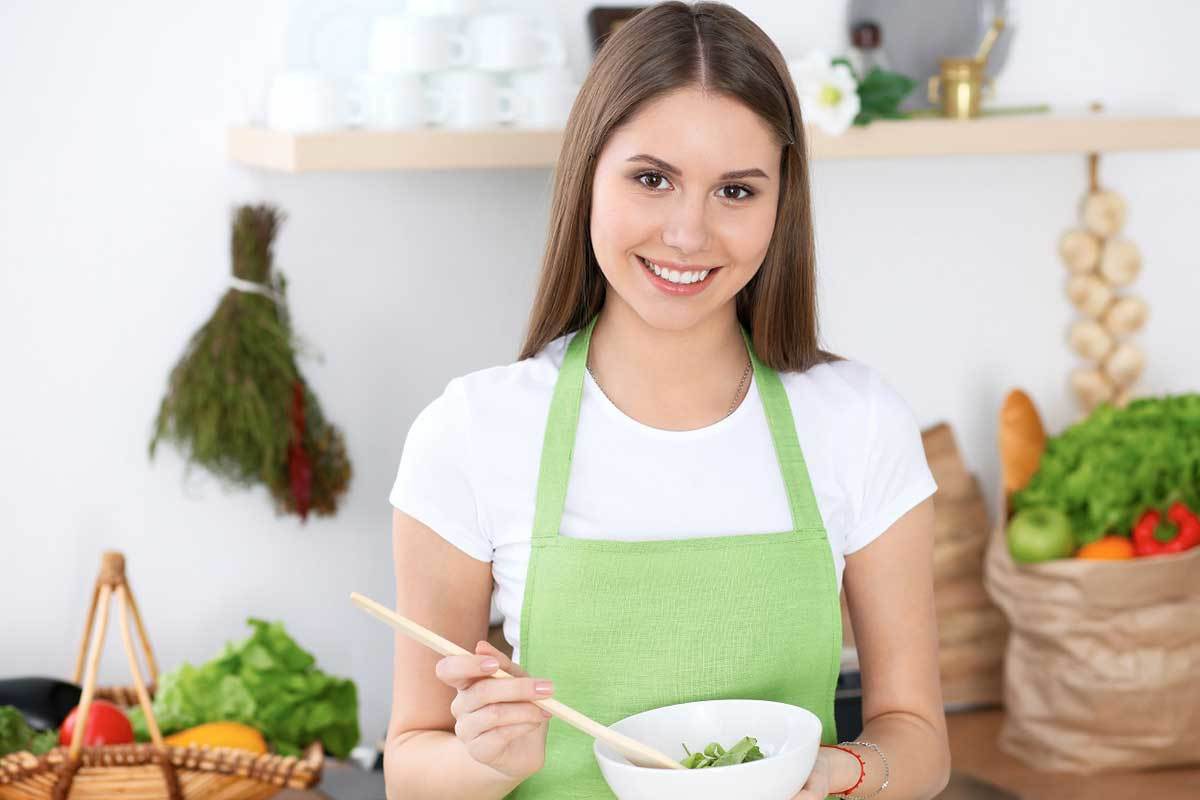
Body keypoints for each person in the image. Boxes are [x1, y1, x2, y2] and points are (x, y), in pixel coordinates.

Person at [384, 2, 950, 798]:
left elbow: (918, 738)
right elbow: (409, 768)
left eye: (737, 191)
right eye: (652, 179)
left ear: (782, 201)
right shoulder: (472, 432)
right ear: (588, 174)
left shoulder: (857, 421)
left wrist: (841, 773)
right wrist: (486, 758)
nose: (688, 233)